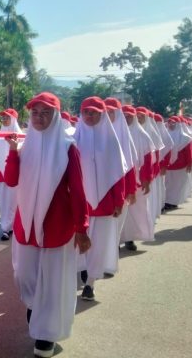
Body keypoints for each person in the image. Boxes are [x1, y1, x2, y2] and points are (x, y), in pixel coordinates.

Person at [3, 92, 90, 358]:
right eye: (35, 113)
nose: (39, 118)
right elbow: (11, 181)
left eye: (45, 113)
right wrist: (13, 153)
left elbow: (77, 190)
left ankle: (46, 335)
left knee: (52, 282)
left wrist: (81, 227)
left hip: (57, 225)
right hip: (26, 224)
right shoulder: (26, 144)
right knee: (24, 275)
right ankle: (34, 308)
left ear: (55, 117)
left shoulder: (67, 147)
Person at [73, 97, 126, 301]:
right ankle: (80, 272)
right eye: (86, 112)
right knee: (78, 242)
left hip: (104, 202)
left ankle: (91, 282)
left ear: (101, 115)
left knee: (98, 243)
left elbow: (117, 173)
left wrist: (119, 200)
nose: (89, 116)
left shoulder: (111, 140)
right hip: (80, 203)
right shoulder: (75, 138)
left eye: (93, 112)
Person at [103, 98, 138, 274]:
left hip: (120, 190)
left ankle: (109, 262)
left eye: (111, 112)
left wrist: (130, 190)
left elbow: (130, 166)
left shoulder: (124, 136)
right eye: (106, 112)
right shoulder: (98, 132)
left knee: (114, 228)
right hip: (99, 191)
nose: (108, 115)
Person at [120, 105, 155, 251]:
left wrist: (147, 180)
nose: (127, 119)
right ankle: (115, 241)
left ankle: (130, 239)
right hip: (120, 182)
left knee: (135, 212)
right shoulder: (116, 133)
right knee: (120, 213)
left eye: (129, 116)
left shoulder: (142, 136)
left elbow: (148, 161)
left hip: (138, 181)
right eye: (124, 116)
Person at [0, 108, 22, 241]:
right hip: (1, 176)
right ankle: (5, 228)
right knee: (3, 202)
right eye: (3, 118)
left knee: (14, 202)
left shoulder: (20, 137)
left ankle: (12, 226)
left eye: (7, 117)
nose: (4, 120)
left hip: (16, 177)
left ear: (14, 119)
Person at [164, 116, 192, 210]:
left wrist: (190, 163)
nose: (171, 125)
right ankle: (167, 201)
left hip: (181, 166)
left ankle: (173, 202)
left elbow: (189, 153)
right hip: (168, 166)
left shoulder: (186, 138)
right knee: (168, 184)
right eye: (169, 123)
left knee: (177, 185)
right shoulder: (165, 135)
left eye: (173, 123)